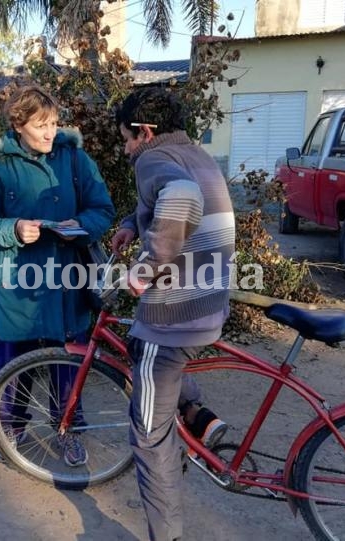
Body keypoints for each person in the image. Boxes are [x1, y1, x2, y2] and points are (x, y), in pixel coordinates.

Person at [0, 85, 115, 467]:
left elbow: (103, 208)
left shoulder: (74, 157)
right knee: (16, 364)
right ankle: (9, 431)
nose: (50, 133)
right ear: (18, 125)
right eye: (41, 125)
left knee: (68, 363)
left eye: (54, 123)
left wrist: (79, 225)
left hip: (68, 283)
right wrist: (13, 230)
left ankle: (67, 431)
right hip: (19, 285)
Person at [111, 87, 236, 541]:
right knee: (138, 346)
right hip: (208, 303)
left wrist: (145, 270)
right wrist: (131, 224)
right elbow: (173, 193)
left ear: (145, 132)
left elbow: (179, 197)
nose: (126, 150)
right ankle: (201, 416)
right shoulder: (194, 153)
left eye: (126, 139)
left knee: (147, 434)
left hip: (174, 313)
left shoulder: (151, 159)